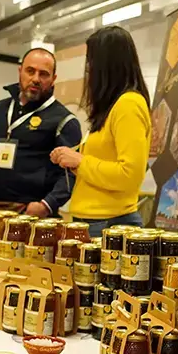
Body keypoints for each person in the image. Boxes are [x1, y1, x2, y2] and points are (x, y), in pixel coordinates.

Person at [50, 26, 151, 237]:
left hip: (109, 224)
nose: (88, 69)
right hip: (94, 221)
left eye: (92, 61)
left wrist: (80, 161)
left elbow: (129, 175)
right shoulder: (113, 107)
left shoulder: (129, 105)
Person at [0, 48, 81, 216]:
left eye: (44, 74)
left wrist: (47, 205)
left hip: (30, 213)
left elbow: (71, 175)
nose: (35, 79)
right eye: (30, 71)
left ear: (53, 79)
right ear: (20, 71)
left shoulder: (65, 121)